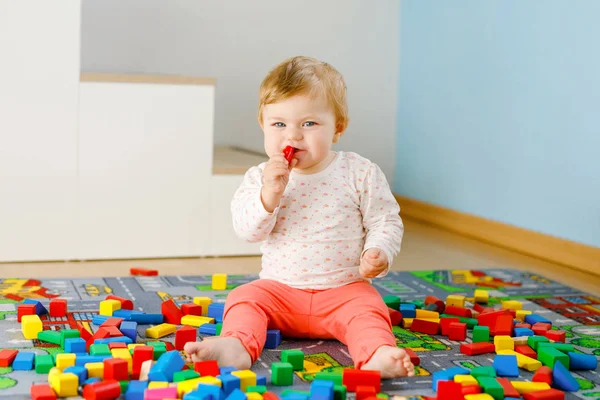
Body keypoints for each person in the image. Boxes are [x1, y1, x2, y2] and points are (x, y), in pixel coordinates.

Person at [185, 56, 413, 378]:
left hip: (344, 289)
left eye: (309, 124)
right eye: (279, 124)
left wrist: (378, 251)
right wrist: (269, 197)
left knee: (370, 309)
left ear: (338, 128)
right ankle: (235, 346)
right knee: (244, 297)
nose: (292, 136)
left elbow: (385, 220)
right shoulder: (259, 177)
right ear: (263, 125)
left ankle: (377, 354)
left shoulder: (359, 172)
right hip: (279, 290)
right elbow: (248, 231)